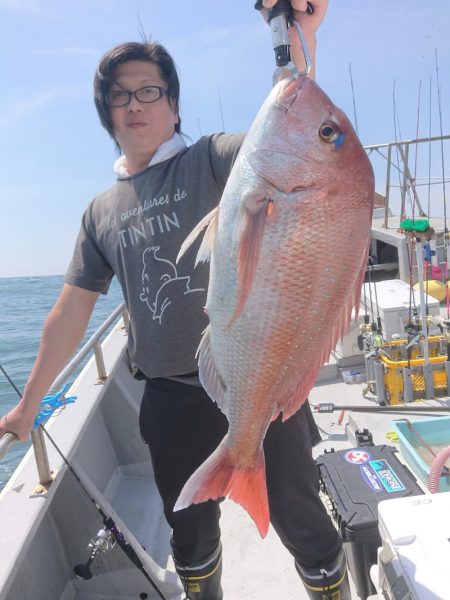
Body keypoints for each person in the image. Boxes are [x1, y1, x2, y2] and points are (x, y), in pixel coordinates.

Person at [0, 2, 351, 599]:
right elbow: (70, 311)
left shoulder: (214, 161)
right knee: (187, 532)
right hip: (169, 396)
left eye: (149, 91)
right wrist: (27, 405)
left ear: (174, 104)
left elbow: (297, 133)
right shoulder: (100, 212)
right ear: (105, 113)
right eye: (119, 96)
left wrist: (298, 38)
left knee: (303, 519)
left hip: (261, 386)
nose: (135, 104)